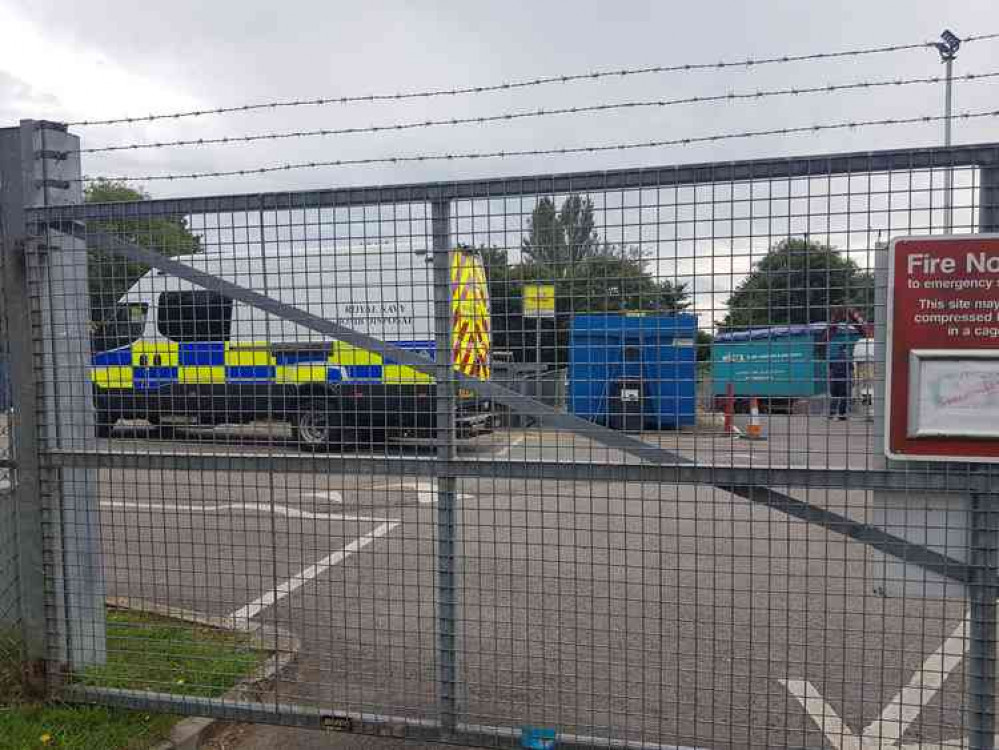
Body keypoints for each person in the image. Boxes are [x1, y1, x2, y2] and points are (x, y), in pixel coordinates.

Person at [827, 308, 865, 420]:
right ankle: (842, 415)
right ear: (845, 350)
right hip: (844, 380)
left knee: (834, 397)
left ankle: (831, 414)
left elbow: (829, 371)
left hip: (834, 380)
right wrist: (853, 381)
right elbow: (851, 371)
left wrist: (830, 379)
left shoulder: (833, 358)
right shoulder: (847, 359)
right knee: (843, 397)